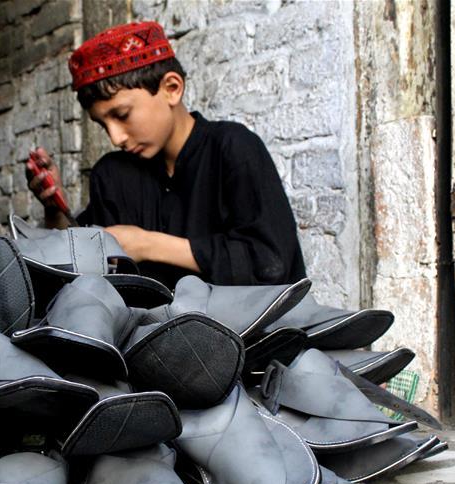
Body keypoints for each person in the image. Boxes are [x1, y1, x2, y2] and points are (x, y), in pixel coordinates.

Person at [26, 21, 306, 289]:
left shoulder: (233, 148)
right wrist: (54, 208)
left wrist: (148, 244)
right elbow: (77, 274)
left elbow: (270, 265)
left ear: (172, 89)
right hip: (149, 337)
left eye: (122, 115)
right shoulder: (112, 175)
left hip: (249, 335)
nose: (116, 137)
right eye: (102, 124)